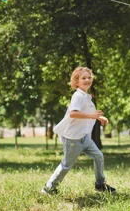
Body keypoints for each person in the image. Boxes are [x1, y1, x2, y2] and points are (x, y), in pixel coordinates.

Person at [42, 67, 116, 195]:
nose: (87, 80)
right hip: (73, 138)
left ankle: (100, 184)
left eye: (89, 77)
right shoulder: (77, 96)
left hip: (84, 137)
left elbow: (86, 112)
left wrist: (98, 117)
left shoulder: (86, 96)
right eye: (83, 78)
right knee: (66, 165)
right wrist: (93, 116)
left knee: (98, 156)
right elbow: (73, 113)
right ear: (76, 82)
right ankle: (48, 188)